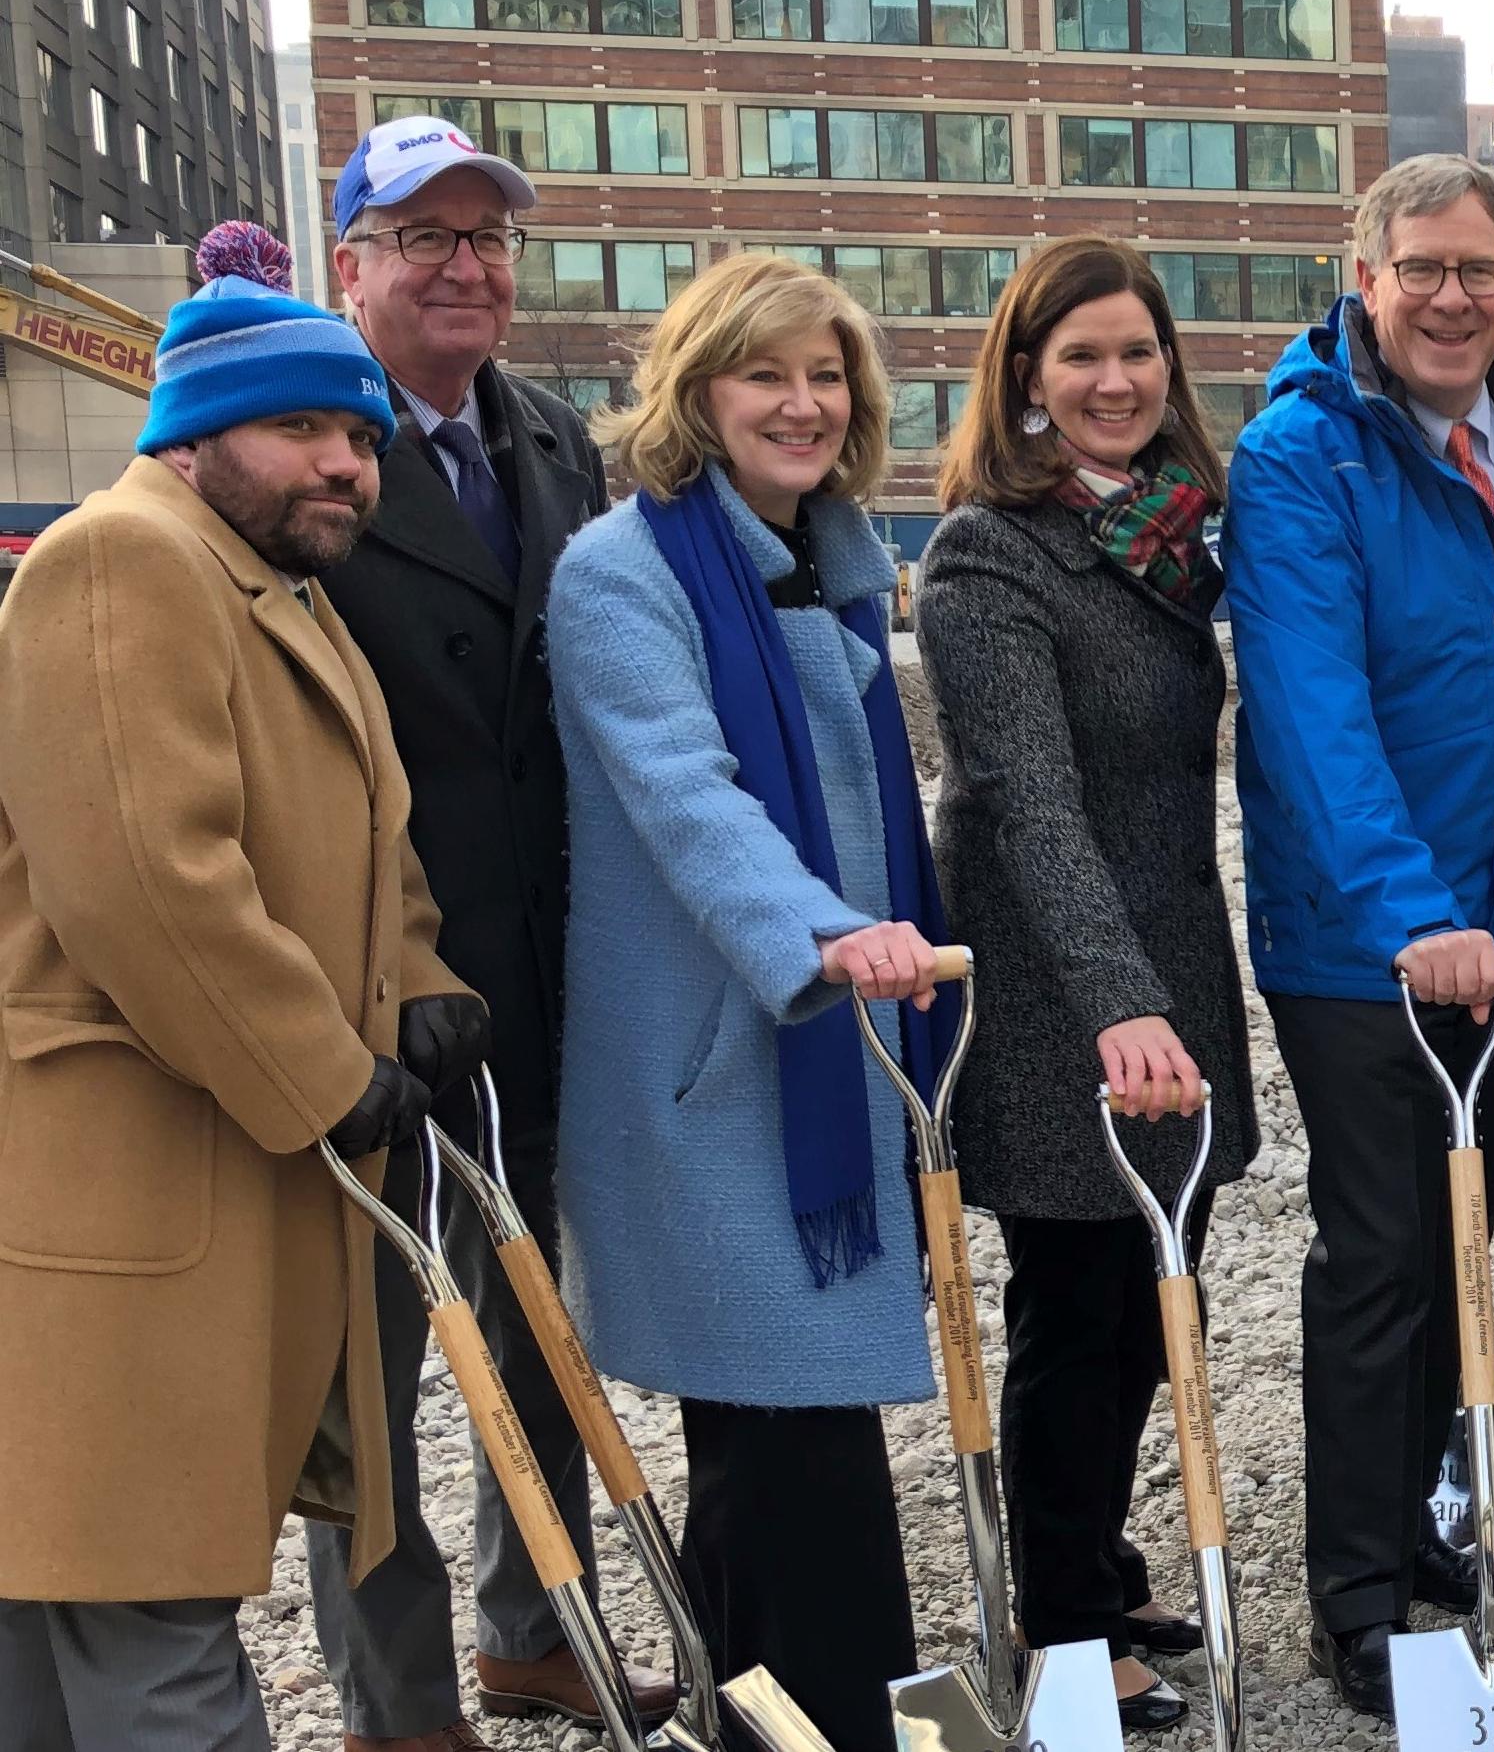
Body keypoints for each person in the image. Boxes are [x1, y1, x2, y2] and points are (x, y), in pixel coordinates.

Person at [0, 240, 469, 1750]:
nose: (343, 463)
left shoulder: (279, 584)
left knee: (61, 1637)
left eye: (359, 438)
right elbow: (151, 878)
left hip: (201, 1181)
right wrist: (326, 1071)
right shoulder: (122, 560)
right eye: (302, 431)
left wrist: (428, 985)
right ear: (192, 435)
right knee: (153, 1634)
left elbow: (365, 848)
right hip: (116, 1197)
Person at [1223, 152, 1494, 1719]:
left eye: (1479, 269)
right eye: (1422, 268)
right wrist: (1414, 915)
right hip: (1364, 946)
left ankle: (1434, 1530)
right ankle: (1353, 1587)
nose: (1452, 297)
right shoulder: (1299, 459)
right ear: (1367, 279)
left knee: (1463, 1244)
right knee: (1384, 1251)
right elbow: (1313, 713)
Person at [546, 250, 952, 1752]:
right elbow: (684, 793)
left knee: (793, 1447)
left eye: (824, 372)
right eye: (763, 372)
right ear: (696, 390)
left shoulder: (830, 558)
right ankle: (830, 1728)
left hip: (824, 1054)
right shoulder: (621, 573)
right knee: (779, 1444)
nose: (800, 401)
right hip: (718, 1069)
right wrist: (830, 933)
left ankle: (775, 1724)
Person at [314, 115, 670, 1750]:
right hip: (370, 997)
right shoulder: (302, 447)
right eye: (425, 237)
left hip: (536, 979)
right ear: (353, 269)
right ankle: (397, 1704)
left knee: (536, 1322)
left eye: (487, 237)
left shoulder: (544, 438)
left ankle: (538, 1631)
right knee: (375, 1373)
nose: (465, 265)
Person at [914, 235, 1261, 1735]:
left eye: (1137, 352)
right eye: (1080, 358)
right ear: (1025, 380)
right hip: (1072, 990)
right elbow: (1025, 801)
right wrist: (1121, 1000)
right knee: (1077, 1305)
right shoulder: (993, 554)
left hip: (1168, 958)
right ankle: (1060, 1632)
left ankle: (1096, 1566)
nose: (1115, 380)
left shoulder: (1174, 534)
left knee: (1136, 1300)